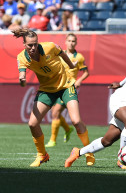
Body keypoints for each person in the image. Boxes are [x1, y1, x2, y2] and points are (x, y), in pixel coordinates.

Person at [13, 28, 94, 167]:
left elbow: (62, 53)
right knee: (32, 123)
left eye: (35, 44)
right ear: (24, 45)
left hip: (66, 86)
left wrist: (70, 66)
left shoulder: (49, 47)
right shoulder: (21, 57)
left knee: (76, 120)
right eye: (29, 45)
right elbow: (22, 76)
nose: (33, 48)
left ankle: (89, 152)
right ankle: (42, 155)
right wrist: (22, 79)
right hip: (47, 90)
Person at [45, 33, 89, 147]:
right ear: (65, 41)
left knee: (55, 112)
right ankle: (67, 129)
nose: (71, 43)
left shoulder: (79, 57)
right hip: (58, 86)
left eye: (73, 41)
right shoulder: (61, 55)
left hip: (68, 88)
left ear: (76, 43)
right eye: (69, 40)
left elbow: (86, 72)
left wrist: (79, 81)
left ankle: (53, 140)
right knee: (55, 112)